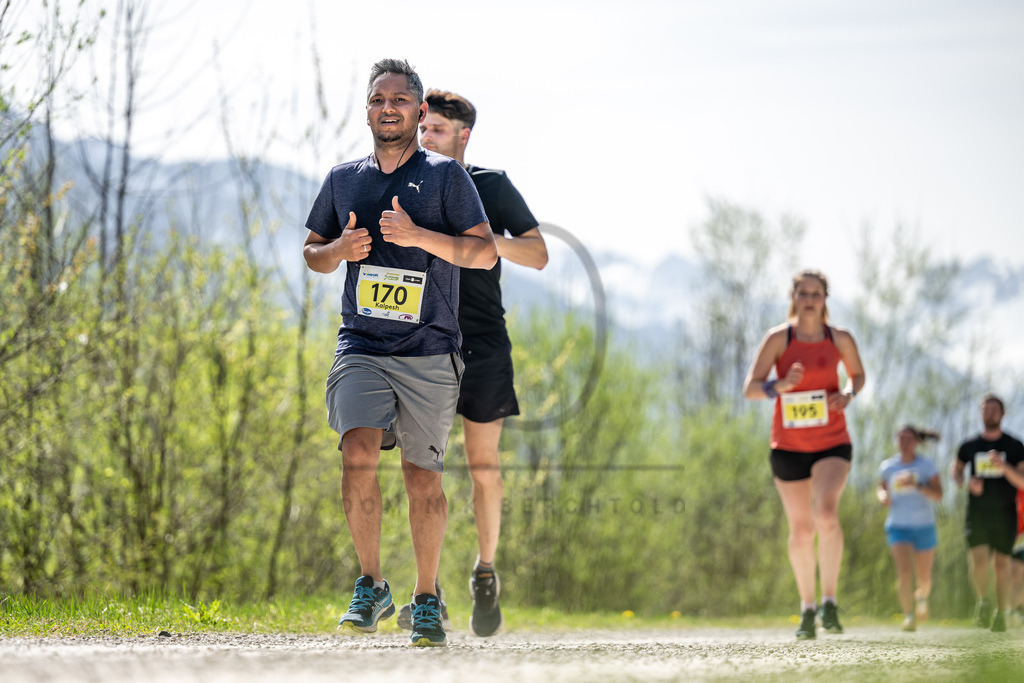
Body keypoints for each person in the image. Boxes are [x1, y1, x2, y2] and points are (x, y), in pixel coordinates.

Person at [302, 58, 497, 647]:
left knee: (421, 478)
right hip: (361, 342)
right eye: (378, 99)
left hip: (429, 349)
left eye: (400, 99)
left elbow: (484, 253)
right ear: (367, 110)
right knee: (357, 452)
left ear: (417, 111)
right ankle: (370, 583)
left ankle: (426, 596)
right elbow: (311, 252)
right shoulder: (343, 179)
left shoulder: (445, 177)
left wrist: (419, 237)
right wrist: (339, 247)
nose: (389, 108)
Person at [394, 88, 548, 637]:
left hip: (482, 343)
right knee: (422, 470)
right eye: (423, 127)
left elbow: (538, 253)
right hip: (422, 342)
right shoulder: (407, 183)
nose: (425, 136)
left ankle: (485, 571)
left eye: (435, 129)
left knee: (483, 468)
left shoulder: (491, 186)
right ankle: (426, 592)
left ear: (463, 135)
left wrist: (484, 242)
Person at [743, 269, 865, 640]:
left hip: (831, 442)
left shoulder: (840, 338)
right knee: (800, 530)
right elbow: (750, 388)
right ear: (793, 296)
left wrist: (847, 394)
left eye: (816, 293)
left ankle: (830, 601)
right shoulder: (779, 339)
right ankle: (807, 608)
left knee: (825, 514)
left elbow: (857, 376)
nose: (809, 299)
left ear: (825, 298)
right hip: (789, 446)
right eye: (803, 292)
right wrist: (778, 385)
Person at [952, 393, 1024, 633]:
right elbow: (957, 472)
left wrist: (1003, 467)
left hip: (1005, 514)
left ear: (1002, 414)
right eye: (985, 408)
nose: (989, 412)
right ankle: (983, 602)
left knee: (1002, 565)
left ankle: (1001, 613)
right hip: (977, 513)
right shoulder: (969, 446)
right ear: (980, 413)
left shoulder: (1015, 446)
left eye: (994, 409)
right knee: (979, 563)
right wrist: (965, 483)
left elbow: (1022, 482)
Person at [877, 425, 943, 631]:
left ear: (916, 441)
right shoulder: (888, 467)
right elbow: (881, 488)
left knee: (923, 578)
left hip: (924, 524)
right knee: (904, 573)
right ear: (896, 441)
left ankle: (921, 597)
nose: (904, 442)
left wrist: (919, 487)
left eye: (909, 438)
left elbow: (939, 494)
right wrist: (883, 497)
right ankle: (908, 616)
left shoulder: (926, 465)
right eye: (901, 438)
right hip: (898, 525)